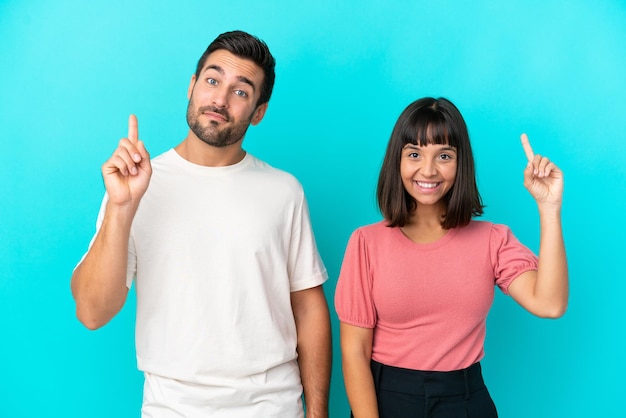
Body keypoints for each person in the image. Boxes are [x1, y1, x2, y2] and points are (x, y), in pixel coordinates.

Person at [71, 30, 331, 418]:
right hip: (172, 408)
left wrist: (317, 412)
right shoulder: (135, 185)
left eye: (241, 91)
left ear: (259, 112)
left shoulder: (284, 192)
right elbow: (92, 312)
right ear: (192, 86)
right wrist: (122, 208)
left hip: (273, 408)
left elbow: (309, 309)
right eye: (212, 81)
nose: (220, 100)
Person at [334, 97, 568, 418]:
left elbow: (550, 303)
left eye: (444, 156)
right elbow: (354, 351)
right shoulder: (366, 243)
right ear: (397, 161)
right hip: (389, 399)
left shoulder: (492, 240)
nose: (428, 170)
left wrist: (549, 208)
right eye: (414, 154)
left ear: (461, 164)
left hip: (466, 400)